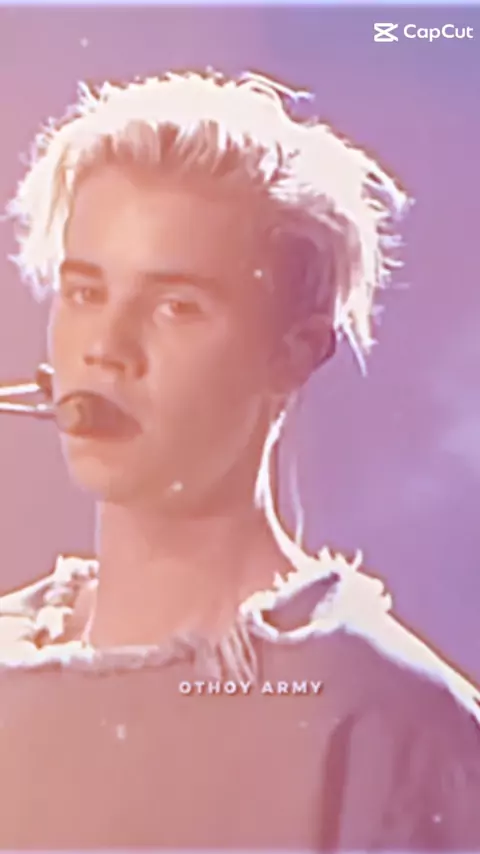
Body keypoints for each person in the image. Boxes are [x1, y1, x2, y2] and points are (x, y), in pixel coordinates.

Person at [0, 68, 479, 850]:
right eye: (85, 293)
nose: (106, 349)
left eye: (175, 306)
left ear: (294, 352)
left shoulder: (385, 723)